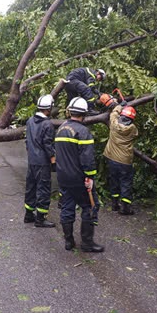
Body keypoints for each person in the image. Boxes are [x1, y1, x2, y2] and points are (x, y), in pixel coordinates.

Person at [55, 97, 104, 252]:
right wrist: (90, 177)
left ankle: (69, 242)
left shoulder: (61, 128)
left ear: (70, 111)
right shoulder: (83, 132)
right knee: (90, 206)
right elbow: (87, 159)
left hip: (63, 177)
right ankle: (87, 243)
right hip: (79, 179)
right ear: (84, 114)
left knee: (67, 208)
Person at [24, 94, 56, 228]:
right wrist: (53, 160)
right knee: (43, 189)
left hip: (32, 161)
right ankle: (40, 219)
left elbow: (27, 141)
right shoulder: (48, 124)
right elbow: (48, 144)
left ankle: (29, 215)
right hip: (42, 162)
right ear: (48, 109)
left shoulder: (30, 121)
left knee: (31, 187)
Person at [103, 102, 139, 215]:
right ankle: (125, 208)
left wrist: (120, 106)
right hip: (125, 161)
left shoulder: (113, 125)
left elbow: (113, 114)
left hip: (112, 158)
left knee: (114, 180)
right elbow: (135, 135)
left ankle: (114, 204)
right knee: (125, 183)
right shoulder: (133, 129)